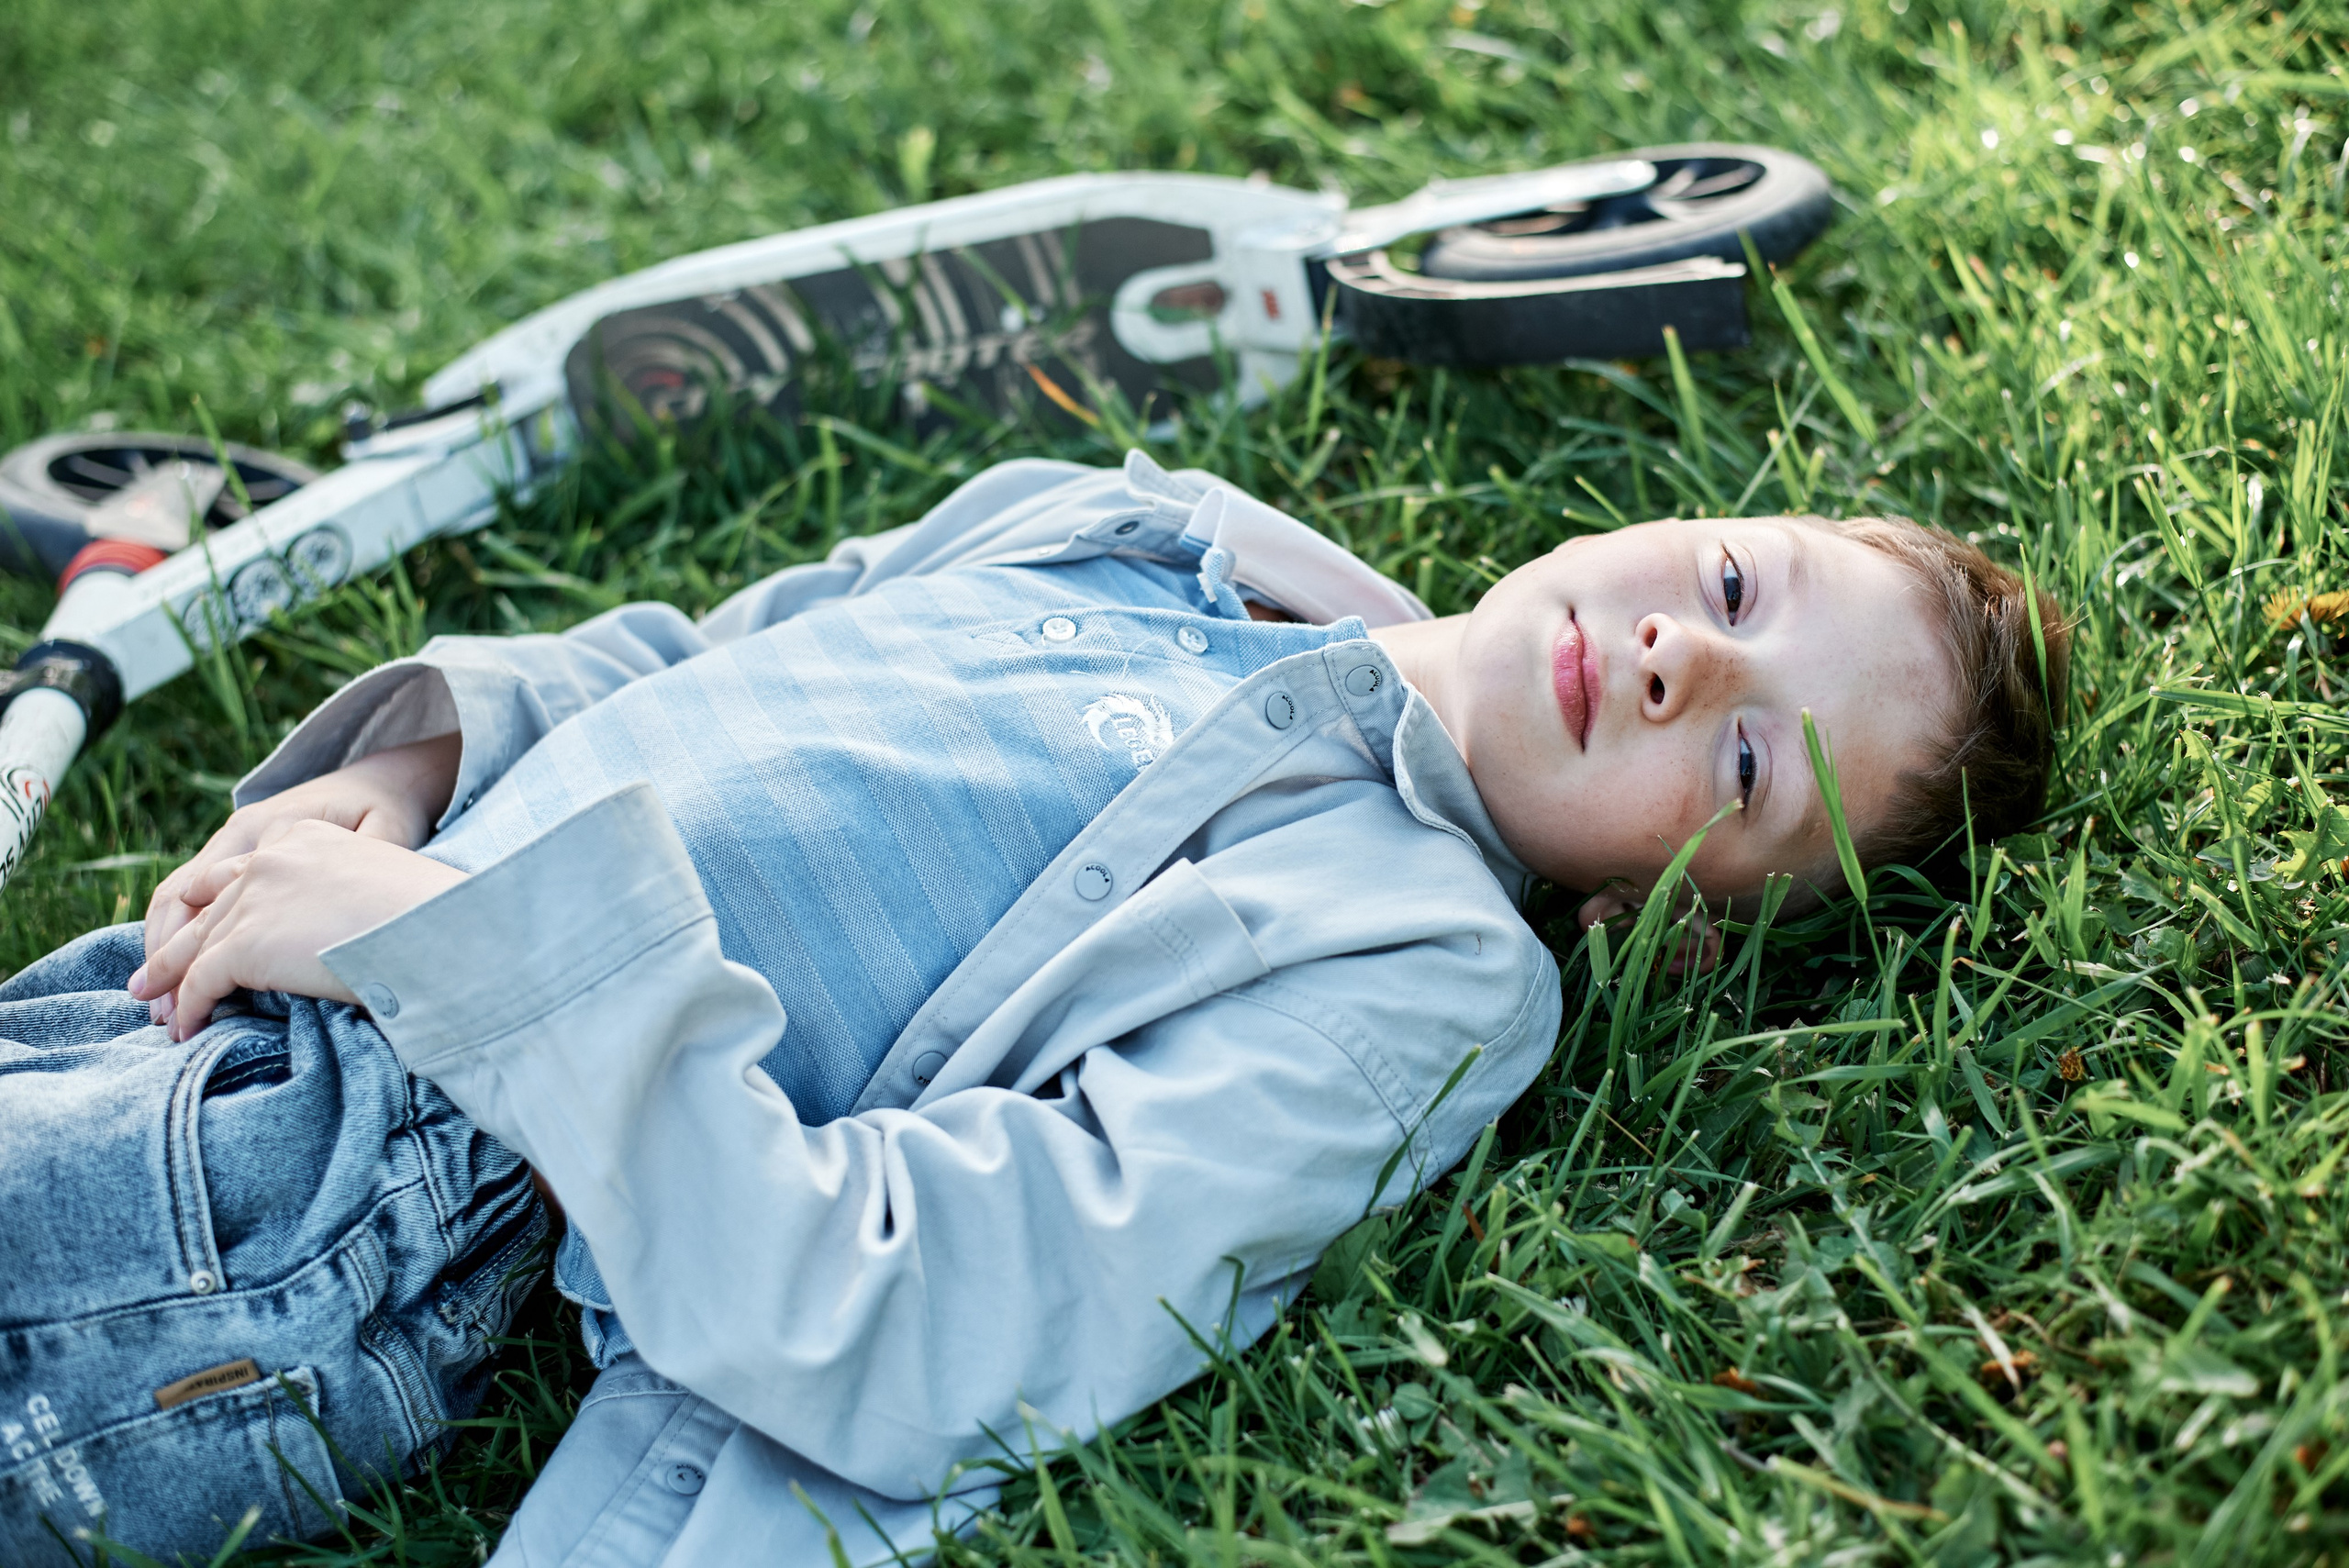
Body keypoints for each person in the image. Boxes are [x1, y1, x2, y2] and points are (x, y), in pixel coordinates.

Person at [0, 450, 2065, 1565]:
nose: (1682, 666)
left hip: (324, 1207)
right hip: (216, 972)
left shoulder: (1415, 972)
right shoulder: (1129, 526)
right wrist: (431, 770)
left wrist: (461, 933)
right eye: (1727, 590)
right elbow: (721, 649)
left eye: (1742, 772)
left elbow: (899, 1317)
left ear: (1677, 933)